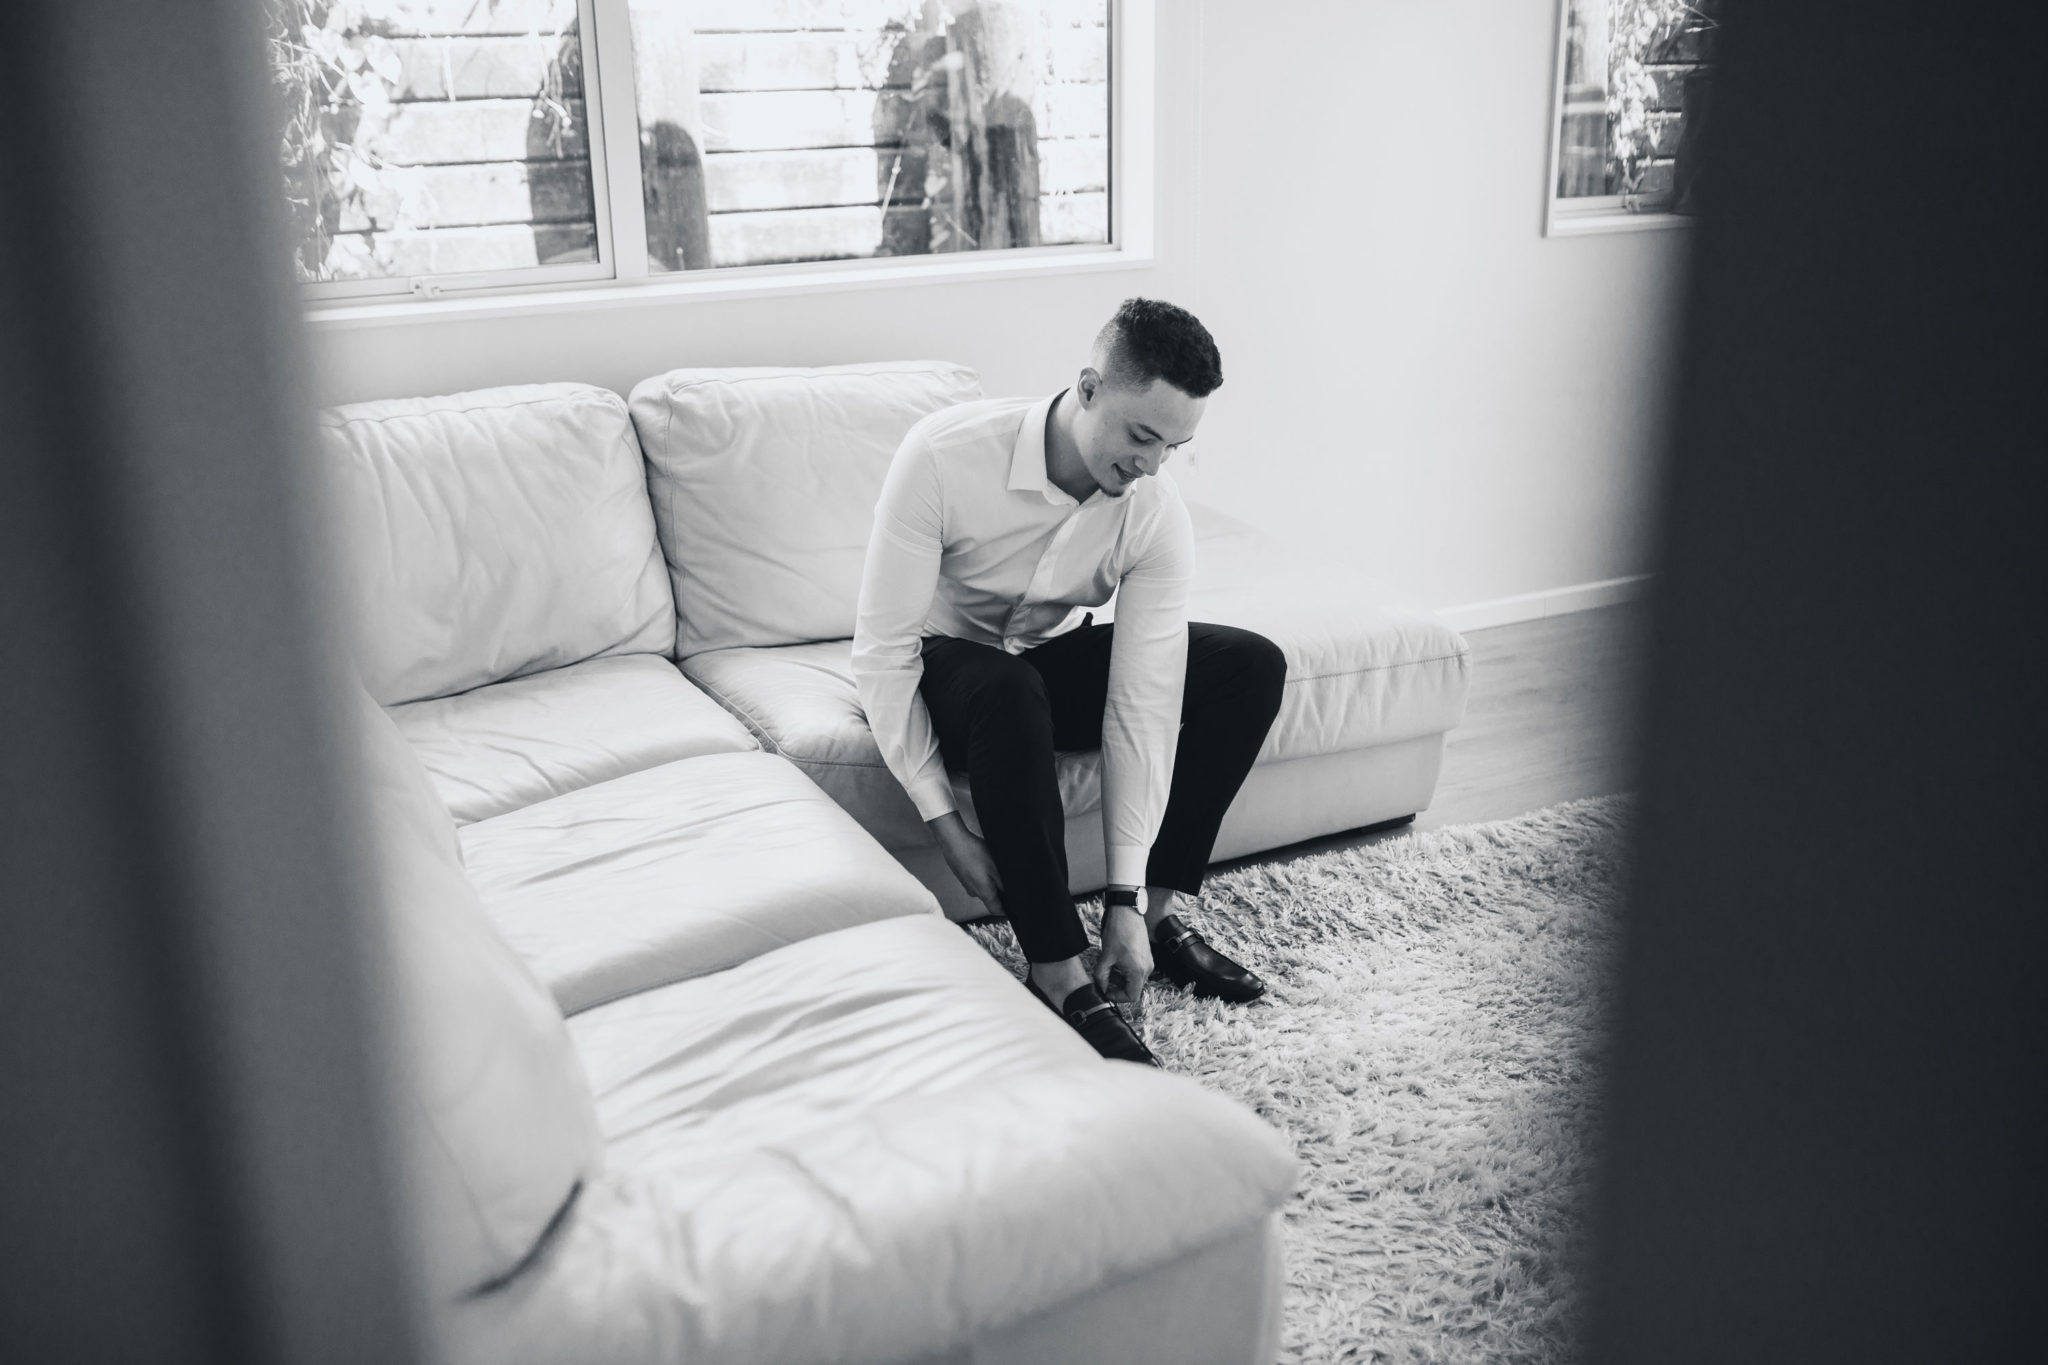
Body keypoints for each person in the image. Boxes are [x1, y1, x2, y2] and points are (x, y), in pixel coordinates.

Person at [852, 298, 1286, 1066]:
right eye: (1141, 435)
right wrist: (946, 827)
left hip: (1047, 666)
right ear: (1088, 390)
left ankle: (1155, 921)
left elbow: (1143, 700)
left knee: (1249, 665)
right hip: (948, 667)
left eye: (1174, 446)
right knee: (1008, 691)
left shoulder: (1154, 509)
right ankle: (1055, 967)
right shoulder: (944, 456)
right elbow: (881, 653)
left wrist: (1123, 895)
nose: (1151, 465)